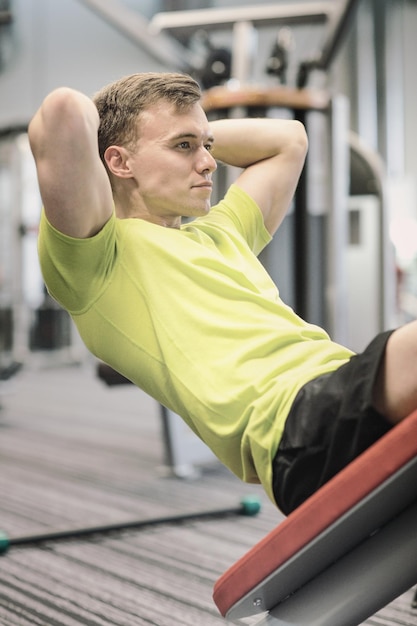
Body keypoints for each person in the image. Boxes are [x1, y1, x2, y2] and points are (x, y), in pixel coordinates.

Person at [28, 72, 417, 515]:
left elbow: (290, 138)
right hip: (294, 425)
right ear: (118, 162)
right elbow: (65, 110)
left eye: (208, 147)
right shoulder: (98, 261)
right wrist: (135, 131)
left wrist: (189, 135)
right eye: (184, 147)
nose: (209, 162)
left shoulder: (225, 231)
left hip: (340, 385)